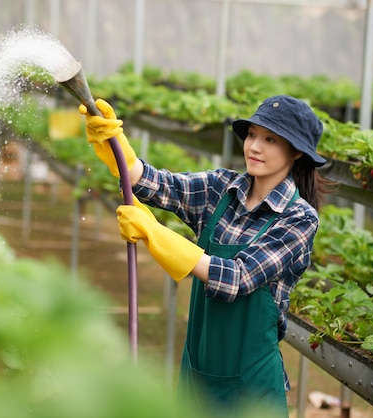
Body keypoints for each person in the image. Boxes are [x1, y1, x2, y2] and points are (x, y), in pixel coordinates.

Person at [79, 95, 336, 417]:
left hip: (251, 389)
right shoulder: (221, 188)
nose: (254, 147)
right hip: (198, 372)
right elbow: (157, 184)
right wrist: (117, 150)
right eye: (253, 135)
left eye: (270, 140)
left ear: (296, 152)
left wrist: (157, 234)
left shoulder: (299, 219)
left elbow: (237, 278)